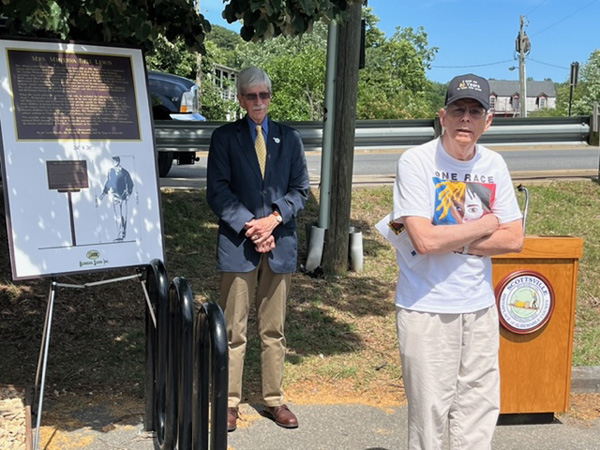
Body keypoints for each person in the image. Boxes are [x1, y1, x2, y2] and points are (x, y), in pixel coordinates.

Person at [391, 73, 524, 450]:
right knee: (429, 416)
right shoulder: (416, 162)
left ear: (488, 121)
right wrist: (485, 224)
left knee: (477, 413)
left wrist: (453, 240)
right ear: (442, 116)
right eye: (458, 109)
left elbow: (514, 239)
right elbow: (425, 239)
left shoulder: (494, 165)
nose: (465, 118)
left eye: (475, 111)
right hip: (426, 308)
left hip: (479, 309)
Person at [206, 66, 309, 432]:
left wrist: (274, 221)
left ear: (270, 96)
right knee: (233, 329)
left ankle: (274, 400)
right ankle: (228, 402)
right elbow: (217, 191)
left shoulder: (289, 138)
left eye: (264, 95)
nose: (259, 102)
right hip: (239, 244)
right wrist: (254, 227)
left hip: (279, 244)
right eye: (251, 96)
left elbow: (300, 191)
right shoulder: (224, 138)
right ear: (240, 99)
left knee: (274, 330)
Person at [97, 156, 134, 241]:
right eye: (112, 162)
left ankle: (123, 233)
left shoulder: (125, 172)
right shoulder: (111, 171)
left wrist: (129, 193)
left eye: (114, 161)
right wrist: (104, 193)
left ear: (118, 162)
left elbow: (130, 183)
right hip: (115, 196)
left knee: (124, 216)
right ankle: (120, 234)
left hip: (124, 196)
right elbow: (109, 182)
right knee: (118, 216)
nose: (113, 163)